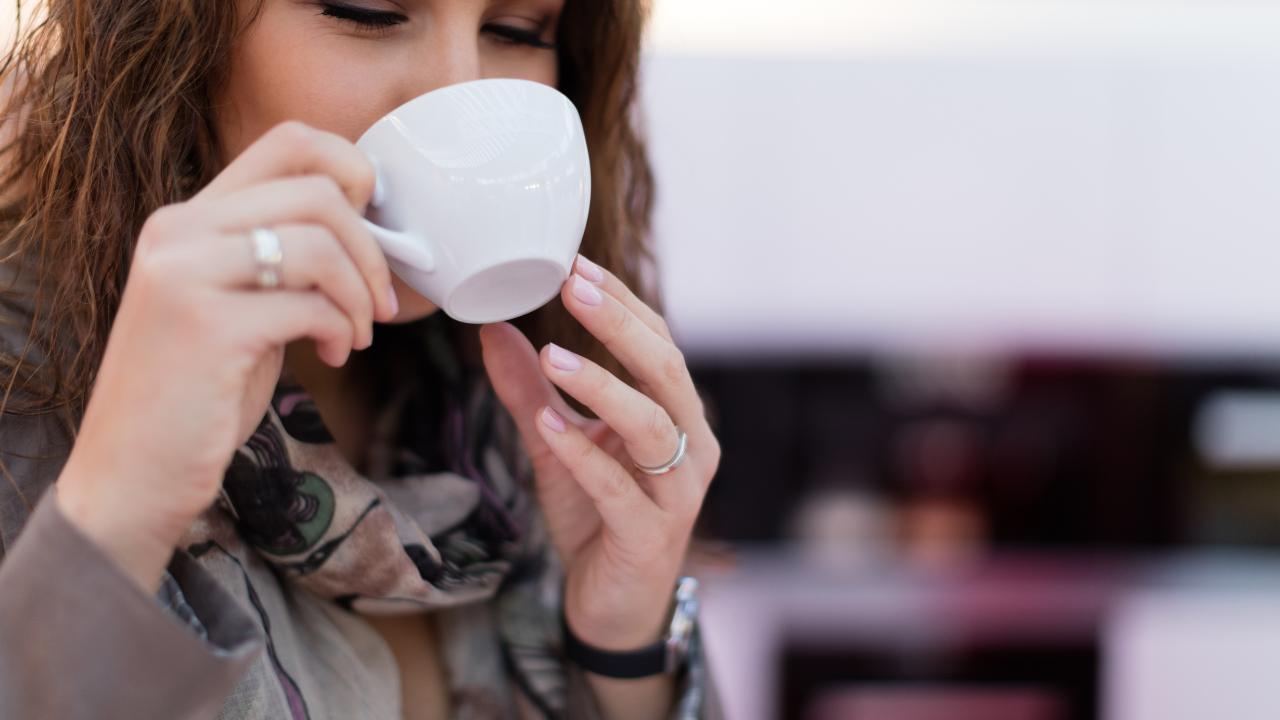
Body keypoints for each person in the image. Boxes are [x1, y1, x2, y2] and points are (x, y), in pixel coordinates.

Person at [0, 1, 723, 718]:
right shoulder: (19, 393)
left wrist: (625, 649)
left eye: (517, 32)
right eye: (369, 11)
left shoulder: (533, 416)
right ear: (182, 42)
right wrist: (119, 506)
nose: (457, 92)